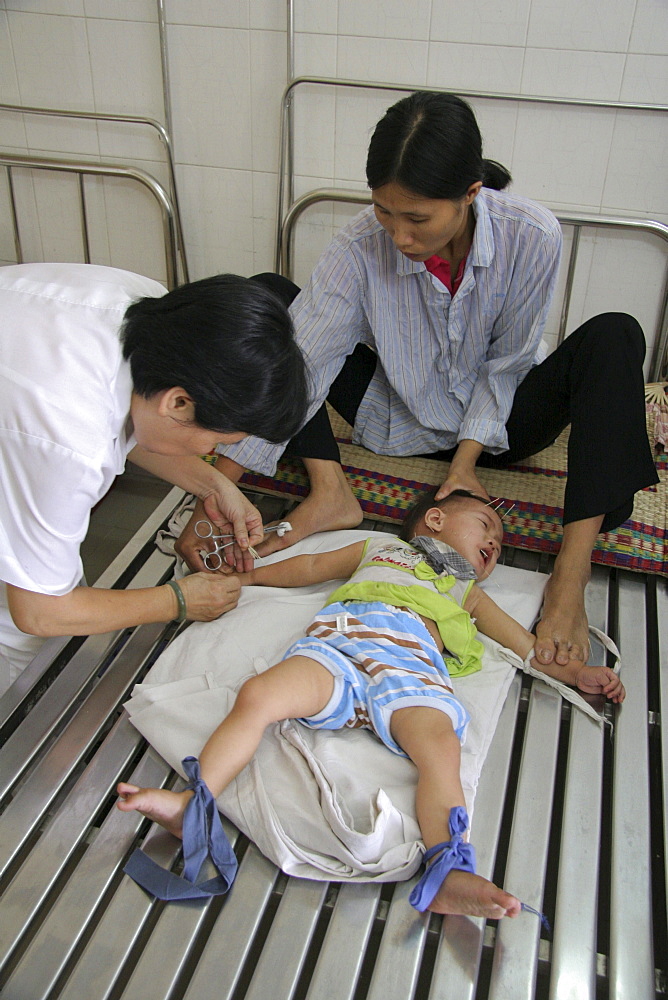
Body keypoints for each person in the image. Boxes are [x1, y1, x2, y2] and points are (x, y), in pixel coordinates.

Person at [175, 91, 658, 686]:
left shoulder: (530, 236)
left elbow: (507, 364)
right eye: (384, 212)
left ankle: (571, 572)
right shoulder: (359, 246)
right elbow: (306, 358)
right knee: (273, 298)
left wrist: (466, 463)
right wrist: (215, 489)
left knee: (616, 335)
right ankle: (329, 493)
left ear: (471, 195)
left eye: (418, 219)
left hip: (503, 425)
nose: (398, 235)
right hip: (394, 412)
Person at [117, 489, 624, 915]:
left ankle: (447, 866)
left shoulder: (465, 588)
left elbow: (525, 646)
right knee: (260, 694)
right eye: (487, 524)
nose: (494, 540)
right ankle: (195, 804)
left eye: (499, 542)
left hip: (410, 670)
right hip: (338, 647)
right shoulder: (380, 546)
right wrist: (248, 577)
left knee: (441, 749)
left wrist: (579, 673)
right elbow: (310, 566)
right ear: (436, 518)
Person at [0, 263, 308, 695]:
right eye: (217, 442)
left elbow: (134, 423)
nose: (211, 454)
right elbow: (38, 611)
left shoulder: (152, 311)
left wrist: (216, 485)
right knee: (23, 640)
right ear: (180, 402)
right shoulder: (68, 437)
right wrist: (179, 599)